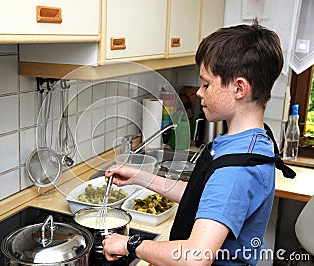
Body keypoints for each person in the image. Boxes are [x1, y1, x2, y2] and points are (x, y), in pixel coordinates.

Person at [102, 19, 295, 265]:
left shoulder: (236, 169)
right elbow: (203, 196)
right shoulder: (249, 140)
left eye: (206, 83)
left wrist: (130, 244)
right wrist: (140, 177)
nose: (200, 92)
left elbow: (196, 257)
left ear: (239, 88)